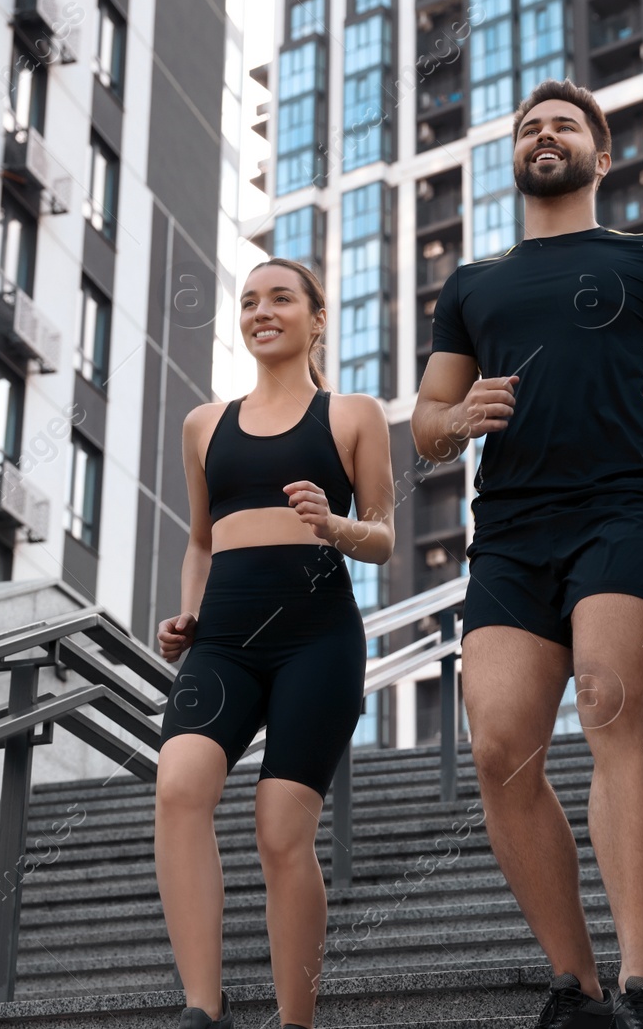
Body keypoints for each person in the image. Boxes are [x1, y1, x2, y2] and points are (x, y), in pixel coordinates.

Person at [412, 79, 643, 1029]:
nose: (544, 135)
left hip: (624, 511)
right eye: (529, 127)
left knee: (611, 700)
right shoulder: (473, 284)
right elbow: (424, 425)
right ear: (515, 157)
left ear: (600, 156)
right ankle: (577, 987)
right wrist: (454, 419)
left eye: (564, 125)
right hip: (510, 534)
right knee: (497, 746)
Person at [153, 258, 395, 1029]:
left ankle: (296, 1020)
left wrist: (335, 524)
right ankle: (203, 1006)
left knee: (281, 829)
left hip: (317, 641)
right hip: (222, 640)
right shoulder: (204, 423)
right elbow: (199, 540)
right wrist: (186, 615)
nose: (262, 311)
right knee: (179, 782)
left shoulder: (354, 415)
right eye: (250, 301)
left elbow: (385, 536)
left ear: (316, 319)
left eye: (280, 298)